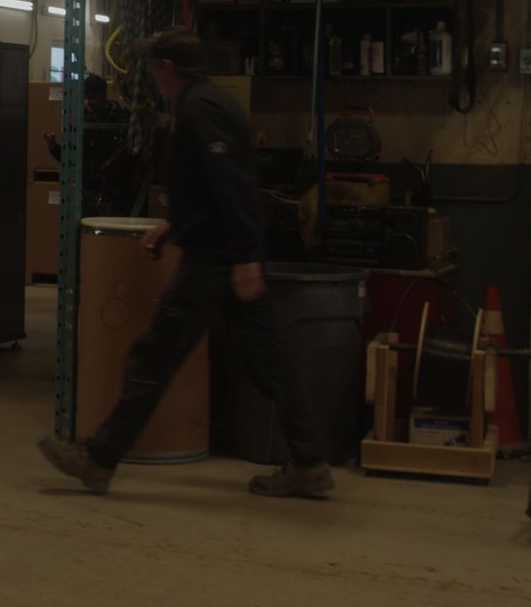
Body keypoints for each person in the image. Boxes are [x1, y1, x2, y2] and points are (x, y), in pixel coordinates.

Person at [38, 28, 334, 499]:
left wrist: (241, 257)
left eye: (153, 66)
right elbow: (207, 187)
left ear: (168, 69)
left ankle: (98, 459)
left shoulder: (200, 110)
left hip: (214, 262)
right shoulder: (209, 103)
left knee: (154, 356)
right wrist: (173, 224)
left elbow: (230, 183)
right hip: (225, 253)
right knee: (269, 361)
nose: (149, 75)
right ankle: (310, 462)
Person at [44, 74, 130, 214]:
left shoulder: (120, 121)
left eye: (91, 97)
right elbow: (72, 160)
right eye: (84, 98)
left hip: (112, 197)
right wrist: (54, 148)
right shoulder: (82, 123)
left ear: (103, 96)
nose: (87, 102)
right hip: (87, 194)